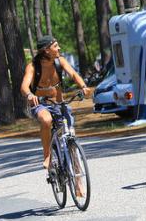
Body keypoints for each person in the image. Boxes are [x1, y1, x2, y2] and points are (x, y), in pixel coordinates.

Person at [20, 35, 92, 171]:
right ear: (46, 50)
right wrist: (29, 94)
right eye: (55, 46)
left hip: (59, 104)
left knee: (70, 139)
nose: (59, 48)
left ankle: (78, 180)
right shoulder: (33, 66)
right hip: (41, 104)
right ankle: (47, 156)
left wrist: (83, 86)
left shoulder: (60, 61)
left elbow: (74, 74)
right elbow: (24, 86)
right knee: (46, 120)